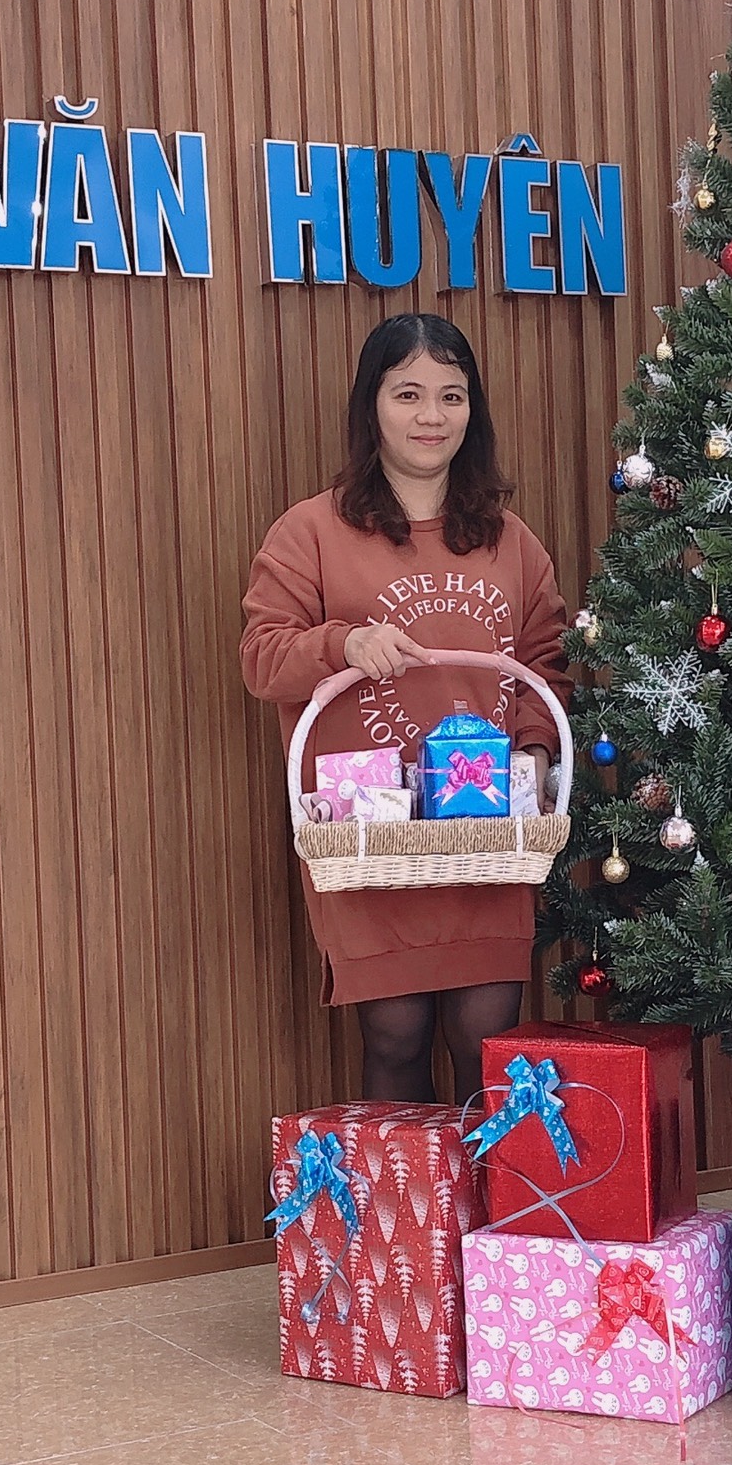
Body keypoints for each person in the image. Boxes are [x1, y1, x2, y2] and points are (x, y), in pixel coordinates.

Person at [242, 313, 569, 1102]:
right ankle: (406, 1191)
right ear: (372, 405)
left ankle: (489, 1191)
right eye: (409, 394)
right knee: (394, 1035)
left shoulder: (510, 540)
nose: (432, 416)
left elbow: (545, 667)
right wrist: (343, 643)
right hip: (370, 838)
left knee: (487, 1040)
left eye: (452, 396)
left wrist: (534, 753)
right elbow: (262, 658)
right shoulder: (310, 532)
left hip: (485, 835)